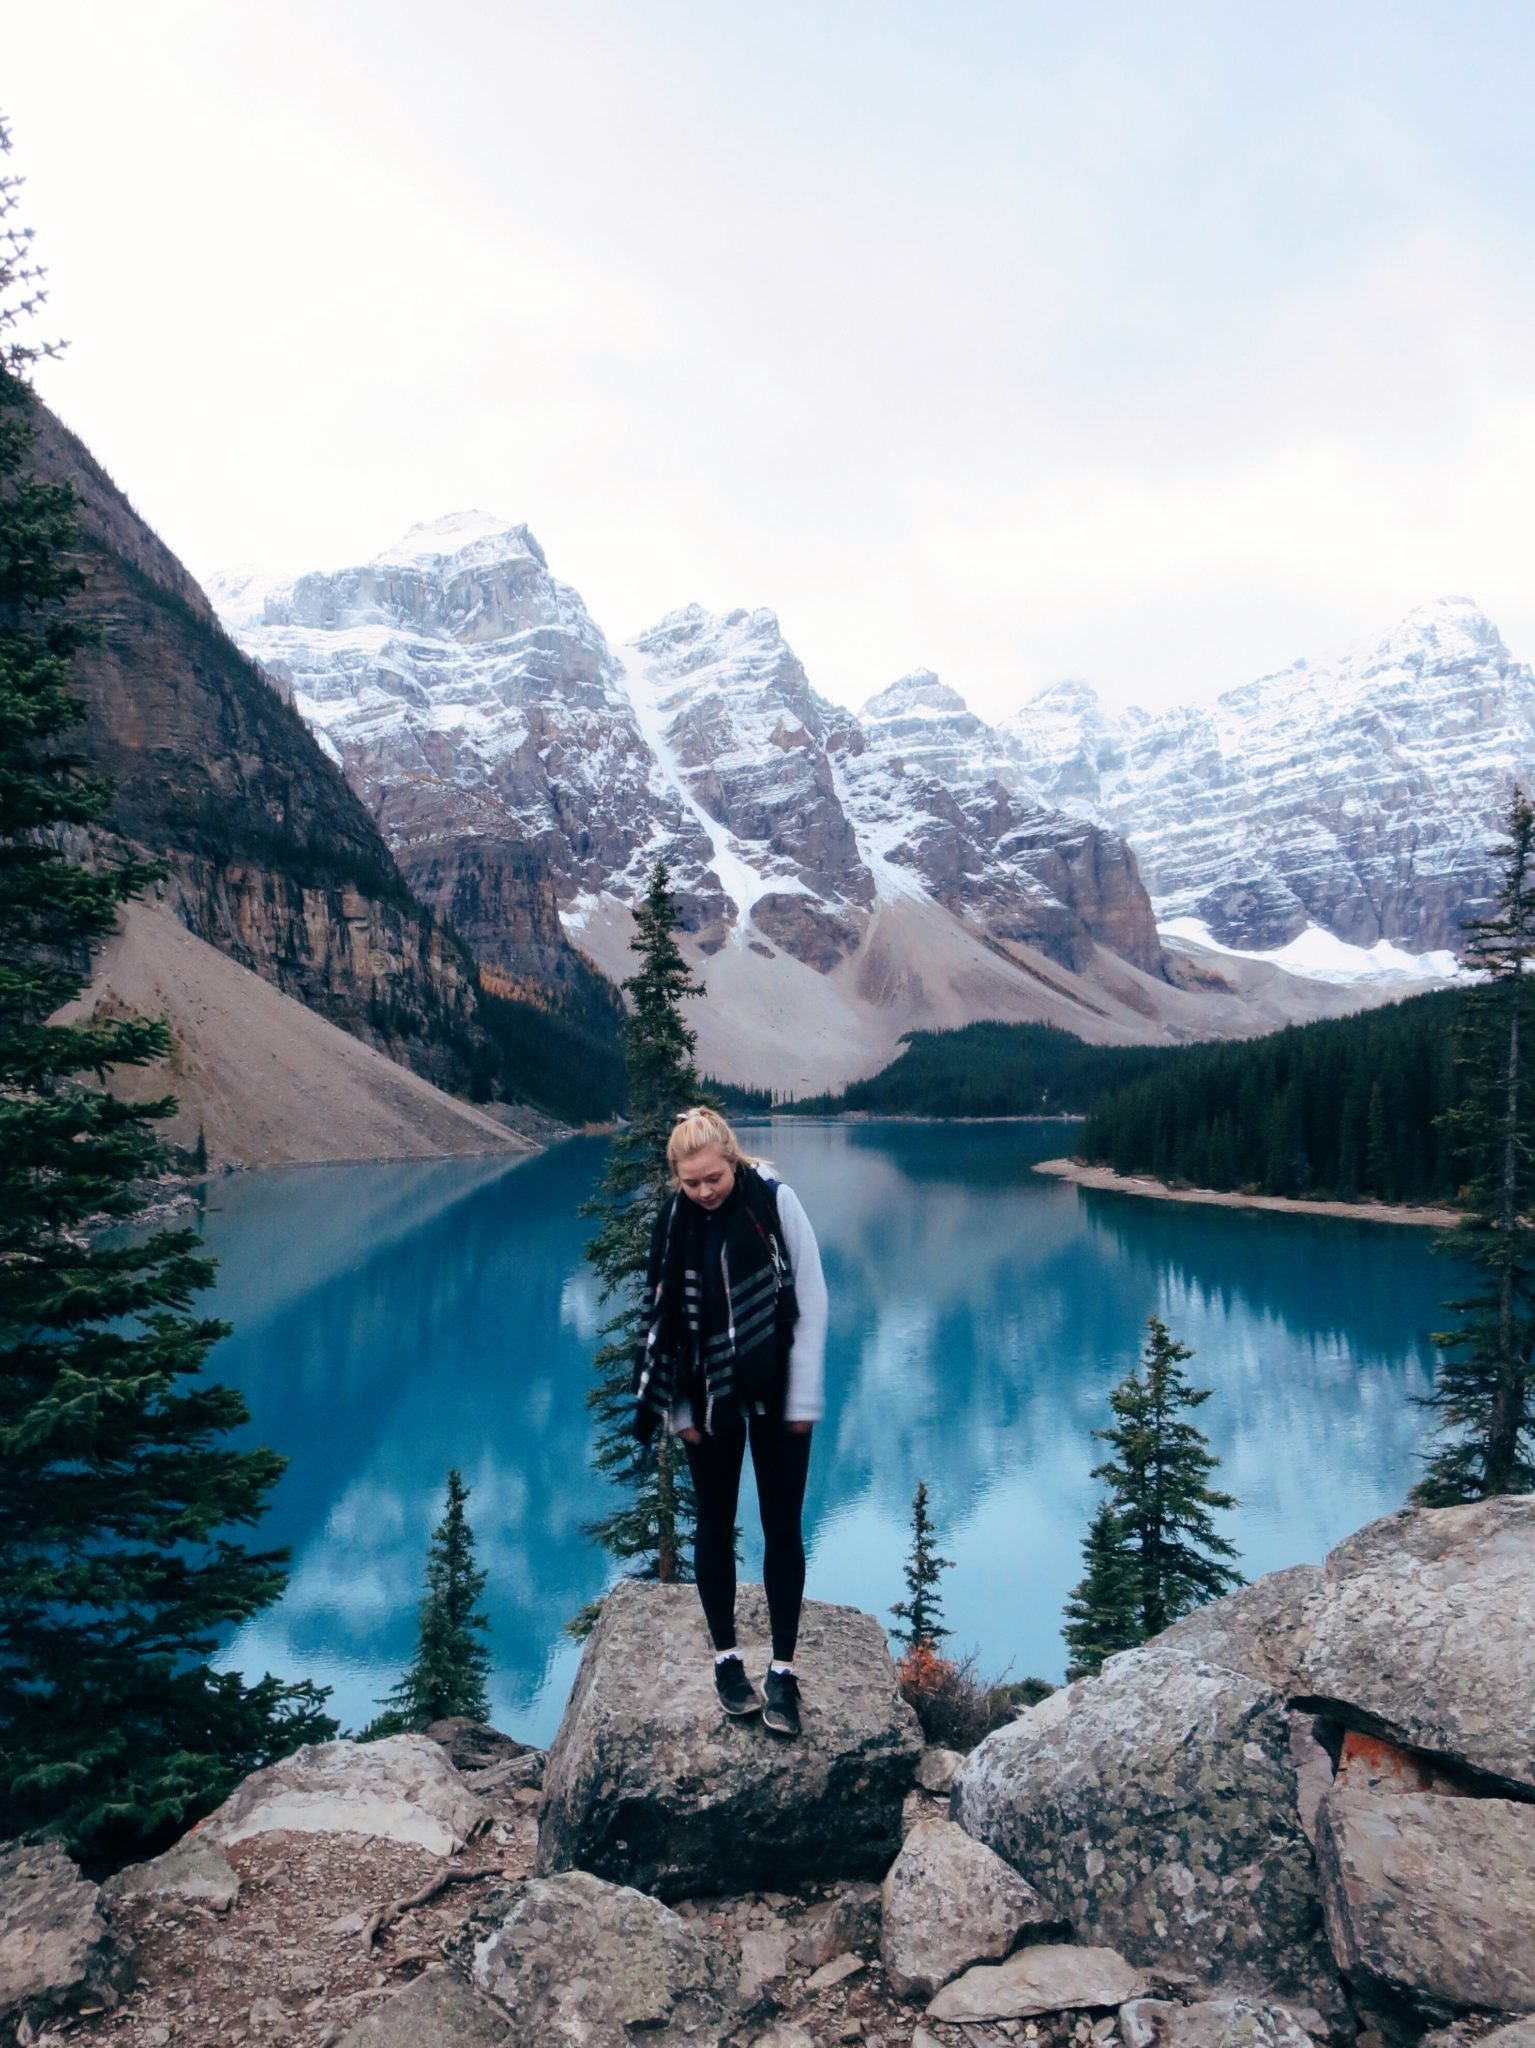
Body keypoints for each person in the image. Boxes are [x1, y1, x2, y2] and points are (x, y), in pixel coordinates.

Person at [634, 1106, 827, 1737]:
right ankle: (725, 1660)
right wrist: (679, 1412)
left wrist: (801, 1404)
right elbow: (661, 1325)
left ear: (731, 1158)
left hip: (774, 1391)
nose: (704, 1191)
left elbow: (813, 1303)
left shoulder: (773, 1200)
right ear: (677, 1179)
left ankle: (784, 1670)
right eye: (690, 1183)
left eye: (712, 1177)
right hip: (707, 1396)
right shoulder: (674, 1223)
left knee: (781, 1527)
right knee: (714, 1526)